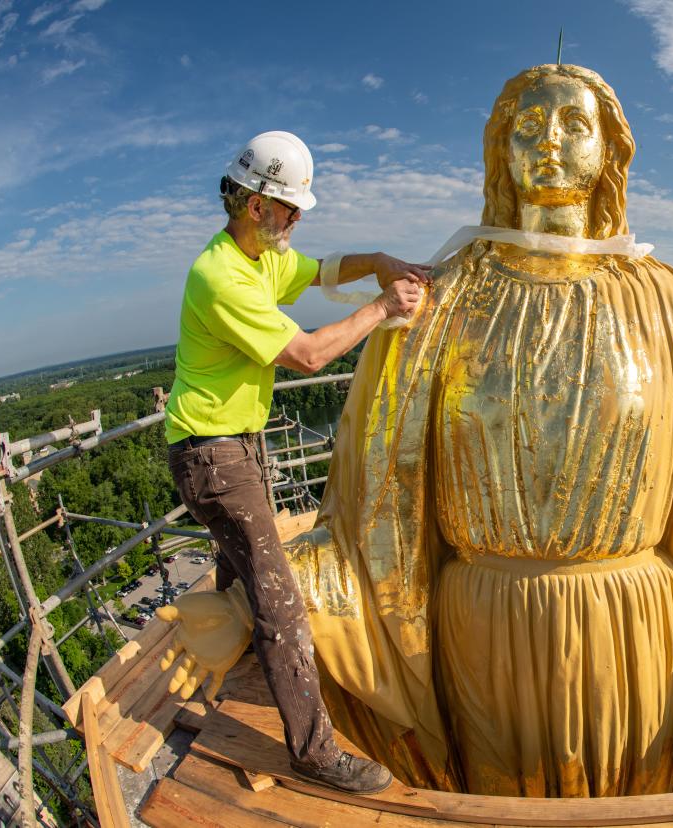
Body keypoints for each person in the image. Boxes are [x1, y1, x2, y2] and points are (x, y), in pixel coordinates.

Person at [162, 70, 673, 796]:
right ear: (499, 152)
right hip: (484, 641)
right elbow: (379, 503)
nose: (549, 143)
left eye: (572, 126)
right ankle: (299, 710)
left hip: (631, 641)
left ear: (613, 151)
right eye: (526, 129)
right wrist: (255, 604)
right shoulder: (443, 302)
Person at [159, 130, 430, 795]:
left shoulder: (259, 259)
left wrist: (381, 259)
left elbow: (323, 268)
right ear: (254, 205)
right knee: (280, 601)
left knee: (245, 578)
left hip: (229, 448)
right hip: (213, 456)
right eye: (290, 208)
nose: (298, 220)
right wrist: (383, 306)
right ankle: (314, 752)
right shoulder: (218, 273)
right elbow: (308, 355)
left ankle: (237, 655)